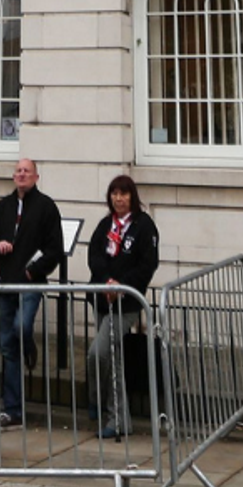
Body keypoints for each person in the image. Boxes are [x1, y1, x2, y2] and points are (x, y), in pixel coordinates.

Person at [87, 173, 161, 440]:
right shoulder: (106, 224)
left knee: (99, 352)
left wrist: (121, 285)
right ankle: (118, 419)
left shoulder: (144, 226)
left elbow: (147, 264)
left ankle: (96, 400)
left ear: (133, 196)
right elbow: (95, 255)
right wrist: (105, 282)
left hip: (126, 303)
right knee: (112, 359)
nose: (118, 199)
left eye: (124, 193)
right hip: (102, 299)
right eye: (114, 193)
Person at [0, 156, 64, 425]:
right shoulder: (2, 207)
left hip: (30, 283)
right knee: (7, 346)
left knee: (21, 329)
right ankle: (13, 409)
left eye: (27, 171)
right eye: (18, 171)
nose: (22, 175)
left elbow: (54, 248)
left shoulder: (46, 208)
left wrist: (34, 271)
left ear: (36, 177)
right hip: (6, 283)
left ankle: (28, 344)